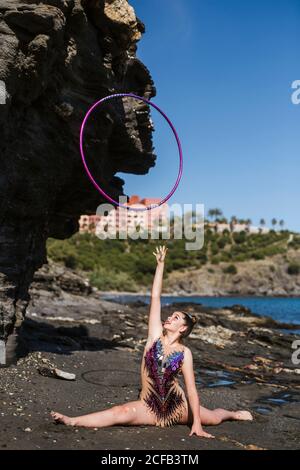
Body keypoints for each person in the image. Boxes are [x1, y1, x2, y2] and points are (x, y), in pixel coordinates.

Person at [51, 245, 253, 438]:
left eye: (175, 318)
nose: (169, 318)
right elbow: (155, 297)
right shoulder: (155, 335)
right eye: (171, 315)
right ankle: (73, 421)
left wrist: (197, 424)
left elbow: (191, 389)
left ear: (183, 328)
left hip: (177, 407)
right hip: (149, 406)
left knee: (214, 418)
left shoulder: (185, 353)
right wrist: (160, 265)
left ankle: (232, 414)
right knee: (120, 412)